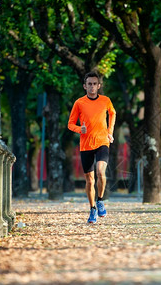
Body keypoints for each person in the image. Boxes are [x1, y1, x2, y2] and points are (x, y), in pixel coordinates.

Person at [68, 71, 116, 223]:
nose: (92, 86)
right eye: (89, 84)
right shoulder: (79, 103)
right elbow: (70, 124)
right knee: (90, 180)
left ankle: (100, 200)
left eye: (95, 84)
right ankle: (93, 208)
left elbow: (113, 113)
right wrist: (78, 129)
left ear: (99, 86)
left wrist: (110, 132)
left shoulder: (105, 100)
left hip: (102, 141)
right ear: (85, 86)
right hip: (86, 145)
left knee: (100, 172)